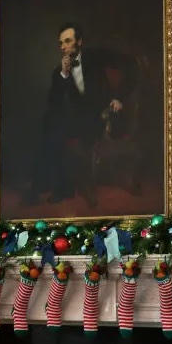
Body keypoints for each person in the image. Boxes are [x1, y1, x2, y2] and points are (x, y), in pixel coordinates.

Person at [33, 22, 137, 208]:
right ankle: (59, 186)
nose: (63, 46)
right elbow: (54, 102)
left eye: (67, 41)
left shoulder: (96, 56)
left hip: (105, 114)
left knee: (63, 128)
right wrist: (64, 75)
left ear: (79, 41)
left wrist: (119, 97)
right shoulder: (59, 71)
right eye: (60, 43)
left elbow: (131, 64)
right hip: (79, 119)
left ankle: (73, 185)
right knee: (50, 125)